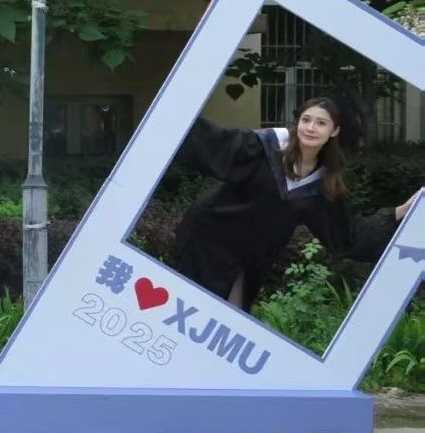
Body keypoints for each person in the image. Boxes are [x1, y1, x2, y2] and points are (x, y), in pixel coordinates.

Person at [171, 93, 419, 312]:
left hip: (247, 260)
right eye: (306, 120)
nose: (311, 128)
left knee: (228, 320)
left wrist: (400, 211)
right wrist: (171, 110)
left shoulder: (323, 186)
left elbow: (346, 238)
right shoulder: (262, 148)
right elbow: (210, 143)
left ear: (334, 131)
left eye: (321, 123)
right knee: (186, 311)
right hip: (206, 243)